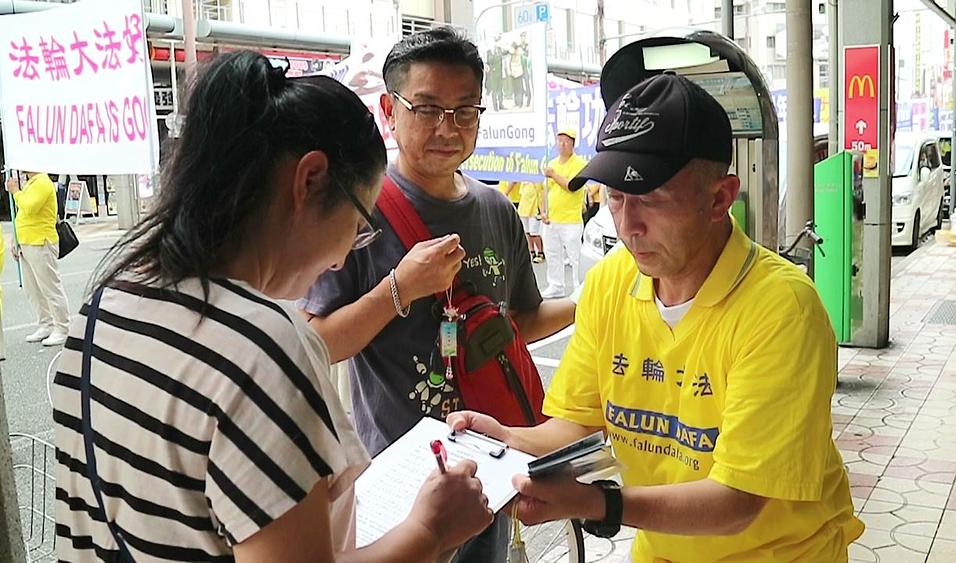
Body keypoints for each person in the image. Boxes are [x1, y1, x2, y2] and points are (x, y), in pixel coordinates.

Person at [52, 50, 492, 562]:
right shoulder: (265, 348)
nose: (337, 261)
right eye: (357, 226)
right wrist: (431, 529)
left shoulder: (106, 305)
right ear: (309, 181)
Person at [450, 72, 864, 562]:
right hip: (664, 550)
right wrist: (509, 442)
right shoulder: (610, 283)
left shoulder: (781, 310)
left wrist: (598, 503)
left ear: (719, 198)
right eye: (616, 198)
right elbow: (575, 423)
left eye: (650, 198)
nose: (629, 225)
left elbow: (738, 500)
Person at [300, 27, 576, 562]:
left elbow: (518, 318)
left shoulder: (496, 210)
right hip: (397, 482)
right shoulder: (359, 208)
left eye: (464, 110)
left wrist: (599, 298)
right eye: (427, 109)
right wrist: (401, 287)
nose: (447, 128)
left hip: (488, 472)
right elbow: (318, 344)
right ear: (389, 109)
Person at [5, 169, 71, 346]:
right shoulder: (30, 184)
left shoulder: (42, 182)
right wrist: (15, 239)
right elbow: (22, 216)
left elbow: (30, 207)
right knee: (32, 288)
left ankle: (62, 328)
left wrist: (15, 191)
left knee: (50, 287)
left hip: (41, 242)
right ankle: (46, 324)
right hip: (27, 242)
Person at [540, 128, 588, 298]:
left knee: (575, 256)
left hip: (571, 219)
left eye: (566, 141)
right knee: (553, 253)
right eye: (559, 140)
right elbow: (544, 190)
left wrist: (553, 175)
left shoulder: (580, 164)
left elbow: (572, 186)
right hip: (552, 220)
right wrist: (543, 211)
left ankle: (578, 287)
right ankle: (556, 285)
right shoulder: (552, 164)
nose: (562, 144)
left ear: (573, 144)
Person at [517, 181, 545, 263]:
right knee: (527, 232)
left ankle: (540, 252)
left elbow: (542, 194)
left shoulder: (538, 181)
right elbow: (522, 193)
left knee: (534, 233)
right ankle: (531, 251)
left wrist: (541, 209)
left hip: (534, 210)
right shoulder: (524, 180)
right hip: (523, 208)